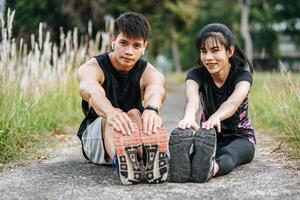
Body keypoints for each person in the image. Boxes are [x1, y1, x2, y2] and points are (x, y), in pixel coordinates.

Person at [77, 11, 169, 185]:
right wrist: (110, 112)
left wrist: (152, 109)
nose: (129, 51)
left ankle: (148, 159)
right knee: (118, 115)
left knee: (135, 113)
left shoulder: (149, 71)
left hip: (135, 131)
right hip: (98, 138)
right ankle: (123, 161)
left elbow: (156, 89)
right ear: (113, 40)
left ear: (144, 47)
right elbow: (91, 91)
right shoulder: (92, 67)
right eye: (123, 43)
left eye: (136, 46)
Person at [169, 23, 256, 183]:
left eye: (215, 50)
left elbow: (232, 103)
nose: (208, 57)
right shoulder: (195, 75)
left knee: (228, 155)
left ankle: (210, 169)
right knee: (200, 153)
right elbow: (192, 98)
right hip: (208, 135)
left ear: (230, 51)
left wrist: (216, 116)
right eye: (204, 51)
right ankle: (182, 167)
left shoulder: (242, 76)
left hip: (241, 138)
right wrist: (188, 117)